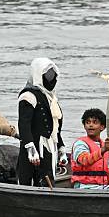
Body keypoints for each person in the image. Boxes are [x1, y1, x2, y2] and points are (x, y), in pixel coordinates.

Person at [17, 58, 67, 187]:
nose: (52, 79)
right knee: (29, 181)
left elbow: (55, 128)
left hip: (50, 147)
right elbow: (24, 124)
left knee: (47, 179)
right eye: (48, 75)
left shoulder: (51, 98)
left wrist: (61, 148)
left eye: (53, 75)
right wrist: (30, 148)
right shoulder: (28, 96)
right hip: (34, 146)